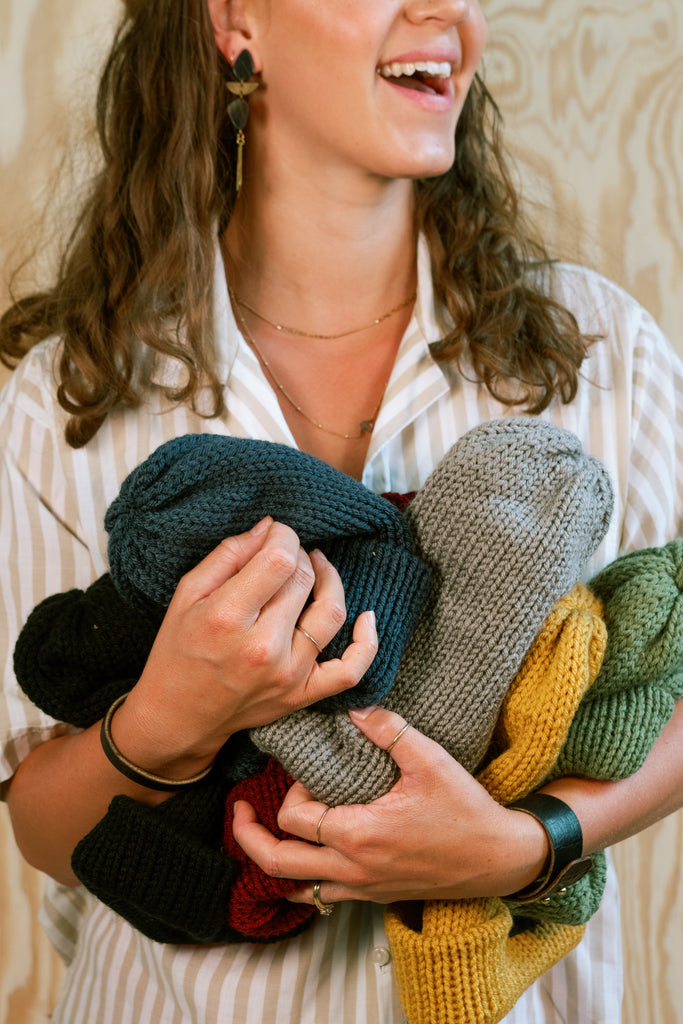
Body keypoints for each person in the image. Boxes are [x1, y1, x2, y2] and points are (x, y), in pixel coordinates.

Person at [1, 1, 682, 1021]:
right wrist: (172, 717)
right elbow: (42, 832)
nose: (445, 11)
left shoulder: (600, 349)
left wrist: (522, 845)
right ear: (235, 20)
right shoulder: (70, 396)